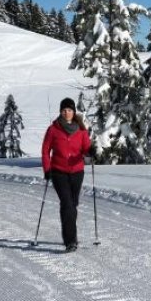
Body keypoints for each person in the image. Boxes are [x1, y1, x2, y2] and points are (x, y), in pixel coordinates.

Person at [41, 97, 92, 252]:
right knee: (67, 203)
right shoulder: (53, 129)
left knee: (73, 204)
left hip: (77, 171)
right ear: (60, 112)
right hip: (58, 172)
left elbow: (86, 148)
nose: (66, 113)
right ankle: (70, 240)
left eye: (69, 110)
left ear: (73, 111)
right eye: (64, 110)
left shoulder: (81, 130)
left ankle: (71, 235)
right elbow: (45, 150)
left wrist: (91, 152)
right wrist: (47, 169)